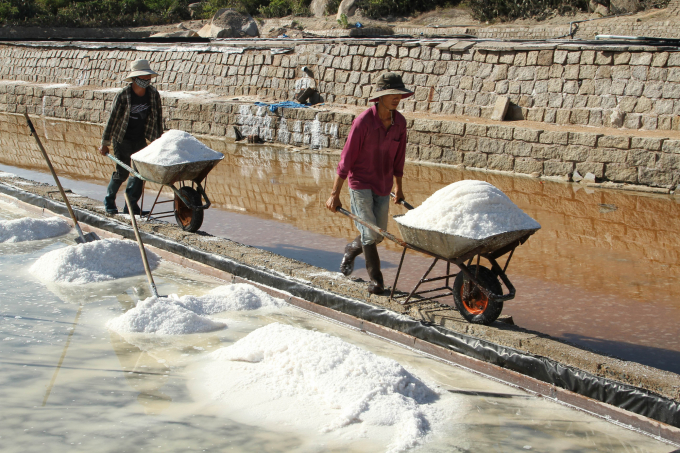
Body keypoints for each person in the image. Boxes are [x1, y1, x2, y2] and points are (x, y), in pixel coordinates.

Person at [325, 72, 413, 294]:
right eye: (391, 94)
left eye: (399, 94)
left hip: (383, 184)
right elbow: (346, 159)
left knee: (378, 234)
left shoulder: (399, 123)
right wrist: (335, 193)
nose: (396, 98)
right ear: (379, 97)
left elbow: (399, 158)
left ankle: (351, 249)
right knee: (368, 230)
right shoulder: (363, 122)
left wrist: (399, 186)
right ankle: (377, 281)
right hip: (360, 182)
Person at [99, 59, 163, 215]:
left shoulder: (153, 94)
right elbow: (112, 119)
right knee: (122, 173)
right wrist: (104, 143)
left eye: (148, 79)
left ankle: (131, 206)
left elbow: (158, 118)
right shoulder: (123, 95)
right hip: (122, 138)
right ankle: (109, 201)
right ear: (135, 79)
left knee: (139, 173)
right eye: (143, 79)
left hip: (140, 138)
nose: (146, 82)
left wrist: (160, 142)